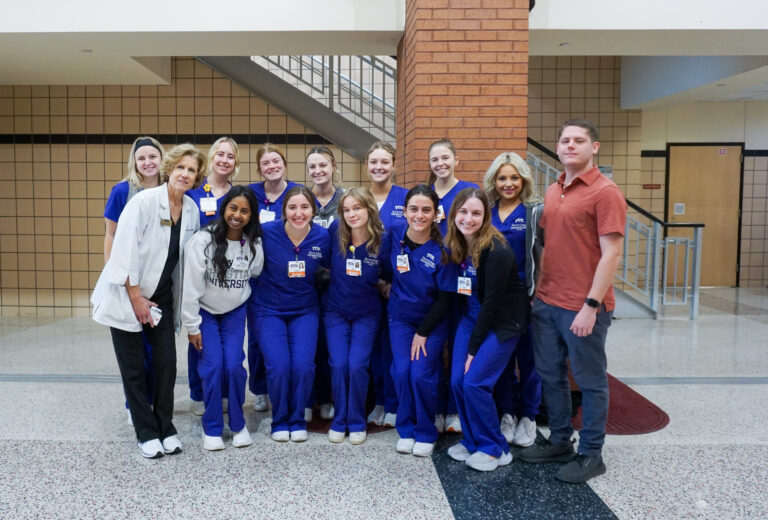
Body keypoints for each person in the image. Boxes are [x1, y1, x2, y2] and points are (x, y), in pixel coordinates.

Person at [517, 119, 626, 483]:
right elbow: (547, 247)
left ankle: (591, 453)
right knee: (551, 375)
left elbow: (612, 254)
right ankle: (560, 440)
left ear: (594, 147)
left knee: (590, 380)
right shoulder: (553, 190)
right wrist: (539, 295)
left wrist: (591, 306)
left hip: (584, 306)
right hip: (547, 302)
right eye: (565, 140)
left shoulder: (606, 192)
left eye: (579, 140)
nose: (570, 145)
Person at [91, 143, 205, 458]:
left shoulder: (192, 210)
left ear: (197, 178)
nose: (185, 174)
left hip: (162, 297)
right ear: (169, 169)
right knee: (133, 368)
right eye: (180, 167)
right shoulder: (143, 201)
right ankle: (146, 431)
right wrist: (136, 297)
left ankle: (165, 426)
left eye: (191, 170)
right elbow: (122, 250)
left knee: (167, 362)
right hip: (128, 293)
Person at [444, 188, 529, 471]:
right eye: (463, 212)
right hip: (472, 319)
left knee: (475, 382)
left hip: (502, 323)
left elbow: (492, 305)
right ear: (454, 213)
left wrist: (472, 349)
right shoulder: (459, 244)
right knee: (457, 381)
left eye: (476, 213)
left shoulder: (497, 250)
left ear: (485, 216)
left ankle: (495, 448)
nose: (468, 218)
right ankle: (472, 440)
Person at [181, 185, 264, 451]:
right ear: (223, 208)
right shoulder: (203, 241)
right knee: (213, 365)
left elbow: (256, 272)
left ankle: (238, 425)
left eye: (244, 210)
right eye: (233, 208)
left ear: (251, 215)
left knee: (234, 366)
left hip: (234, 312)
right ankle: (213, 427)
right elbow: (190, 288)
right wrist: (192, 326)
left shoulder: (253, 243)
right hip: (205, 312)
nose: (237, 215)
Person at [251, 185, 331, 442]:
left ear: (313, 210)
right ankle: (280, 419)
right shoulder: (266, 232)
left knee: (304, 366)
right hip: (269, 310)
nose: (299, 213)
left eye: (304, 207)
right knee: (279, 366)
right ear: (283, 210)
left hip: (305, 310)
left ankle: (297, 419)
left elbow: (330, 270)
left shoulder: (323, 237)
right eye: (292, 207)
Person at [386, 185, 457, 457]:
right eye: (413, 209)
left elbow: (445, 299)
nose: (419, 215)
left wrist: (424, 332)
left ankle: (426, 431)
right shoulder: (394, 236)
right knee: (402, 372)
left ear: (435, 214)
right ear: (404, 212)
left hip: (431, 323)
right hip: (400, 320)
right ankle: (406, 428)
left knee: (421, 374)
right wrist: (384, 284)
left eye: (426, 209)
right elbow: (382, 267)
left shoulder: (443, 250)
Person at [103, 136, 165, 425]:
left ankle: (151, 399)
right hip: (129, 283)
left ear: (162, 159)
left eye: (153, 156)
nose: (148, 162)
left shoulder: (171, 192)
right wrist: (114, 276)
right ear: (134, 162)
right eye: (142, 158)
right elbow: (111, 235)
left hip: (160, 284)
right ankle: (134, 405)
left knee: (156, 352)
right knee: (133, 351)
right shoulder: (122, 191)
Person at [483, 152, 543, 448]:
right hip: (497, 303)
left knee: (529, 361)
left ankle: (528, 416)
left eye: (514, 178)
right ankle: (506, 413)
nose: (508, 184)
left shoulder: (534, 212)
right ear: (494, 181)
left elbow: (544, 258)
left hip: (528, 301)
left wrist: (540, 295)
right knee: (502, 362)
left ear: (523, 180)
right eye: (502, 178)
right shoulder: (487, 212)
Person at [323, 187, 388, 445]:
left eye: (357, 208)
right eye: (347, 209)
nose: (352, 214)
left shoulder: (383, 239)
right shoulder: (334, 233)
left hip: (367, 314)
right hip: (336, 312)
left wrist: (385, 284)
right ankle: (340, 419)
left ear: (369, 209)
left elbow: (390, 274)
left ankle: (357, 419)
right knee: (339, 365)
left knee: (357, 365)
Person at [185, 136, 241, 416]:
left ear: (235, 163)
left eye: (230, 156)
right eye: (220, 154)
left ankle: (225, 393)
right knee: (198, 340)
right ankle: (198, 393)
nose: (224, 160)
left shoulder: (238, 196)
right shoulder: (194, 193)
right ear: (211, 157)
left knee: (228, 346)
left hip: (229, 282)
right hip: (198, 281)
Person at [246, 143, 303, 412]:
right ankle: (260, 388)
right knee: (259, 336)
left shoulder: (297, 192)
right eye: (266, 163)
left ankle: (289, 387)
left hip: (291, 272)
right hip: (259, 273)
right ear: (260, 168)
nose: (272, 166)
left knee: (290, 340)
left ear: (284, 163)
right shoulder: (251, 194)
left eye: (276, 161)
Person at [428, 138, 477, 433]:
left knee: (460, 348)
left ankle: (456, 411)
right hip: (433, 281)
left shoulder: (468, 192)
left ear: (456, 160)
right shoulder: (425, 194)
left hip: (465, 279)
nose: (440, 164)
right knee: (435, 349)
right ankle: (436, 408)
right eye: (435, 159)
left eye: (445, 157)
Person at [365, 141, 405, 427]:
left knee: (392, 347)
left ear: (394, 165)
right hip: (364, 286)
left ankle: (393, 403)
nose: (379, 167)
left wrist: (391, 283)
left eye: (384, 162)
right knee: (371, 348)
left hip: (397, 288)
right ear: (366, 166)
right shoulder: (359, 198)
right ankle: (377, 401)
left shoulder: (405, 199)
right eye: (374, 162)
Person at [307, 145, 343, 421]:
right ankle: (309, 399)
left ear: (333, 167)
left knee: (331, 346)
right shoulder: (302, 199)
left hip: (337, 286)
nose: (317, 171)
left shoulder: (344, 201)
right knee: (309, 345)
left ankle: (328, 397)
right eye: (312, 167)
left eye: (323, 165)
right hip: (305, 284)